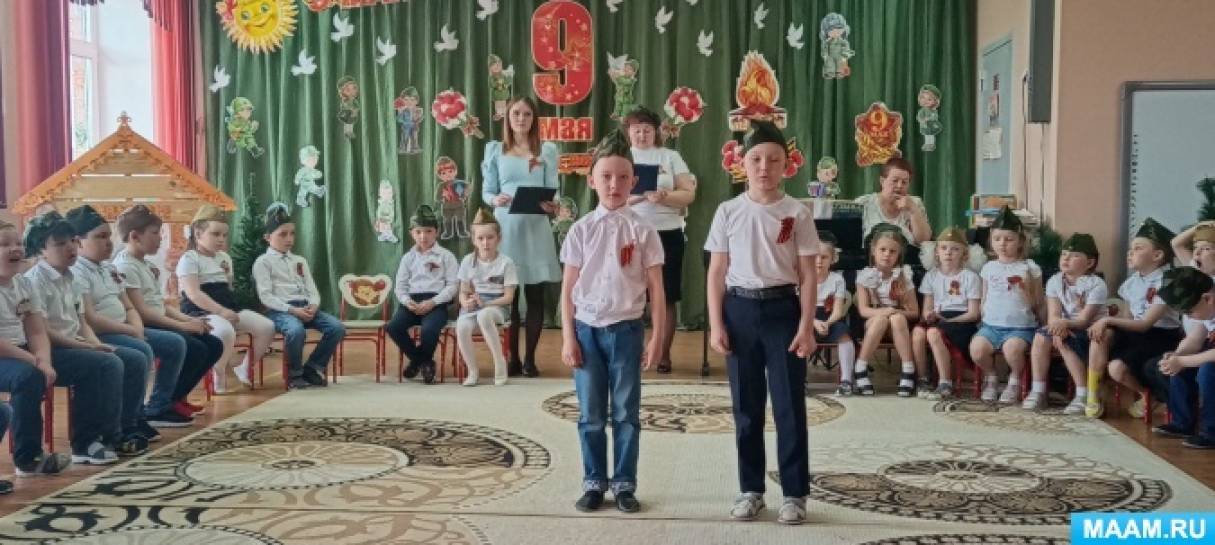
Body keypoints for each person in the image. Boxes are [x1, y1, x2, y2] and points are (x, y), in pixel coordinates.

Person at [706, 120, 819, 525]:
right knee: (747, 408)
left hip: (783, 311)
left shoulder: (797, 212)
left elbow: (808, 275)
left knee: (789, 405)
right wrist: (717, 324)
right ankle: (751, 489)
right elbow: (716, 273)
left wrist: (806, 325)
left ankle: (794, 493)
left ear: (786, 165)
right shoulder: (728, 211)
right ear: (743, 163)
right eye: (755, 159)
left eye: (773, 160)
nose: (764, 167)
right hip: (739, 311)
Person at [560, 129, 665, 514]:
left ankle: (623, 483)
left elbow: (657, 290)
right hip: (587, 331)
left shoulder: (644, 230)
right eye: (605, 176)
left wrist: (656, 338)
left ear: (633, 181)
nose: (614, 185)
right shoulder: (580, 230)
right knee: (590, 414)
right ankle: (593, 481)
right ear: (592, 180)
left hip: (627, 331)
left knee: (625, 413)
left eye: (622, 177)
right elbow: (567, 290)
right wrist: (569, 337)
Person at [23, 212, 136, 464]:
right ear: (42, 250)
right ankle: (85, 443)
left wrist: (95, 343)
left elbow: (82, 322)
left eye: (73, 241)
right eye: (60, 244)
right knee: (105, 364)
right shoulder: (34, 281)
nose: (71, 248)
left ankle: (116, 433)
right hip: (50, 350)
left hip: (75, 345)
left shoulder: (72, 278)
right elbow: (43, 330)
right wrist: (87, 347)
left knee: (126, 358)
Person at [115, 205, 223, 420]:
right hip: (143, 325)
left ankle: (175, 398)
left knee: (213, 344)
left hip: (157, 321)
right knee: (185, 344)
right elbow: (143, 313)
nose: (160, 238)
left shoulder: (144, 264)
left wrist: (191, 320)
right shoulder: (125, 266)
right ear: (135, 236)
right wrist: (184, 326)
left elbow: (160, 305)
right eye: (155, 233)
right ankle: (159, 405)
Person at [65, 205, 163, 440]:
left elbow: (129, 306)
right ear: (78, 242)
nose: (108, 243)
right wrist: (129, 329)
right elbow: (91, 319)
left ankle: (134, 416)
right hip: (100, 332)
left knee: (144, 348)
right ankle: (126, 423)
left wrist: (136, 327)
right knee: (138, 354)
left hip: (124, 328)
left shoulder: (108, 268)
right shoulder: (78, 272)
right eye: (100, 237)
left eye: (109, 236)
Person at [481, 96, 561, 377]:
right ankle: (512, 358)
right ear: (508, 117)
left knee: (536, 296)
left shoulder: (547, 150)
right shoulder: (495, 150)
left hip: (536, 229)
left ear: (534, 119)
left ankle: (530, 360)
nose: (521, 119)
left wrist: (552, 204)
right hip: (508, 228)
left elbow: (553, 190)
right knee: (511, 297)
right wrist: (495, 200)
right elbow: (487, 191)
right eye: (516, 113)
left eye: (527, 114)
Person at [624, 106, 697, 374]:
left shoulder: (670, 156)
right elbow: (610, 197)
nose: (642, 135)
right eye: (637, 130)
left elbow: (688, 194)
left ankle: (663, 354)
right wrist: (639, 197)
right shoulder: (622, 156)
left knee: (665, 295)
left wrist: (664, 196)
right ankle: (632, 352)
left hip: (667, 232)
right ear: (628, 132)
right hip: (630, 233)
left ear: (656, 132)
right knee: (629, 294)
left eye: (647, 130)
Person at [1086, 218, 1182, 418]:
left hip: (1159, 336)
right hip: (1135, 334)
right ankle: (1092, 393)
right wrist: (1107, 324)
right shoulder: (1131, 283)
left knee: (1116, 368)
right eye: (1130, 249)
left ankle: (1148, 396)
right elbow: (1127, 318)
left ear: (1157, 255)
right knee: (1101, 334)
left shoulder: (1167, 281)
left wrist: (1107, 320)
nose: (1130, 253)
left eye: (1138, 248)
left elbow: (1145, 324)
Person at [0, 218, 73, 481]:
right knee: (27, 376)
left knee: (96, 364)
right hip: (8, 355)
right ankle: (28, 458)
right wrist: (33, 360)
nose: (15, 249)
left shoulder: (23, 284)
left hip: (22, 352)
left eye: (18, 243)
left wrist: (44, 359)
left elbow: (36, 331)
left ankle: (94, 440)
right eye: (4, 244)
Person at [177, 205, 276, 394]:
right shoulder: (189, 259)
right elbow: (193, 293)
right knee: (224, 331)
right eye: (215, 234)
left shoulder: (224, 258)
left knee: (267, 327)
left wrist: (230, 310)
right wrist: (221, 312)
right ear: (198, 233)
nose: (221, 239)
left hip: (227, 309)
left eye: (224, 235)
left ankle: (244, 368)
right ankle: (219, 371)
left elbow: (228, 287)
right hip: (200, 312)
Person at [253, 203, 346, 390]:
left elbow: (311, 289)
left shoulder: (299, 260)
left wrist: (314, 305)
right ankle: (294, 373)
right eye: (282, 234)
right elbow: (265, 296)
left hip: (304, 307)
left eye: (292, 234)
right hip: (279, 310)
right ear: (267, 237)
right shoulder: (263, 262)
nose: (289, 239)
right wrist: (292, 310)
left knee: (337, 328)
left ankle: (312, 368)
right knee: (295, 331)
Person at [1023, 234, 1107, 412]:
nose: (1066, 259)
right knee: (1040, 337)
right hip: (1064, 326)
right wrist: (1057, 327)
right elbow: (1053, 314)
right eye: (1063, 254)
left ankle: (1082, 394)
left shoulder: (1096, 284)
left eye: (1074, 255)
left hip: (1091, 330)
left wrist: (1062, 326)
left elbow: (1084, 320)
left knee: (1064, 341)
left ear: (1090, 262)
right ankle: (1038, 391)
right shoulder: (1055, 281)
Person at [970, 207, 1043, 404]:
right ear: (991, 241)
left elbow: (1037, 303)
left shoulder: (1030, 267)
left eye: (1009, 239)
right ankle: (991, 377)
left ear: (1020, 241)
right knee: (977, 349)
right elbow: (984, 297)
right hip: (991, 325)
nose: (1002, 243)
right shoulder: (988, 267)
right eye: (997, 239)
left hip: (1020, 327)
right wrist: (982, 315)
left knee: (1012, 350)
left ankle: (1014, 380)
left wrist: (1025, 289)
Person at [387, 205, 458, 385]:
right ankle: (424, 362)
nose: (423, 236)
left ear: (437, 232)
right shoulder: (408, 258)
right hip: (411, 302)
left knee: (429, 329)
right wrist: (407, 301)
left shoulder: (446, 256)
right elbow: (400, 287)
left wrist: (433, 302)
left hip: (436, 303)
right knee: (393, 327)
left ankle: (417, 363)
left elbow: (452, 286)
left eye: (428, 231)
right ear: (411, 233)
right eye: (418, 232)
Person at [912, 227, 983, 400]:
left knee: (933, 333)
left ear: (964, 254)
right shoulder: (931, 276)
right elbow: (926, 309)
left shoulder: (970, 277)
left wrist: (948, 320)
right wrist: (929, 315)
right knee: (918, 332)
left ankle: (945, 383)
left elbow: (974, 314)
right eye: (944, 248)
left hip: (961, 321)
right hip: (938, 318)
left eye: (955, 249)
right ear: (936, 252)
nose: (948, 252)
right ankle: (923, 379)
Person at [854, 224, 919, 396]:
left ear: (899, 255)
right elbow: (863, 310)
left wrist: (894, 311)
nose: (887, 254)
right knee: (881, 320)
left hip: (898, 326)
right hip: (874, 321)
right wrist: (884, 312)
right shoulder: (865, 276)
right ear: (873, 250)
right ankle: (860, 367)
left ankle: (908, 369)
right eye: (882, 249)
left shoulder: (904, 276)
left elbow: (914, 312)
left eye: (892, 251)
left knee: (897, 318)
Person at [1153, 266, 1215, 449]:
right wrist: (1177, 355)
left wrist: (1182, 361)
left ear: (1207, 298)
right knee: (1177, 366)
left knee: (1208, 371)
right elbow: (1195, 339)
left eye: (1189, 312)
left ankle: (1210, 433)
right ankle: (1182, 423)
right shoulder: (1207, 307)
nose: (1189, 316)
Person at [456, 209, 517, 386]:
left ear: (499, 238)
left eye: (490, 237)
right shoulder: (468, 261)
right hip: (475, 304)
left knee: (485, 315)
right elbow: (463, 291)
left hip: (497, 306)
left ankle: (499, 362)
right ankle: (472, 371)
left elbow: (509, 297)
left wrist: (487, 303)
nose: (485, 243)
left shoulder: (506, 263)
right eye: (480, 238)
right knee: (461, 326)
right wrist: (465, 302)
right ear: (474, 240)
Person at [812, 232, 856, 395]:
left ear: (832, 259)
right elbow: (799, 309)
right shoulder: (802, 277)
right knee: (797, 334)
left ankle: (846, 381)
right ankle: (799, 380)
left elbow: (838, 310)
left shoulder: (837, 279)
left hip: (829, 318)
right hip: (808, 318)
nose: (819, 261)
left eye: (824, 257)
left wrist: (827, 323)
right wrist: (814, 322)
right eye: (815, 256)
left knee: (844, 335)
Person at [853, 157, 932, 245]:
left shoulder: (915, 203)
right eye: (895, 181)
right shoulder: (863, 203)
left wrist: (913, 210)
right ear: (882, 181)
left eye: (904, 182)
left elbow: (924, 241)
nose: (899, 186)